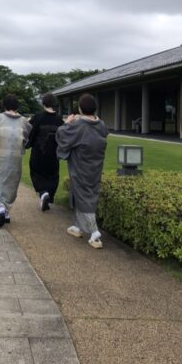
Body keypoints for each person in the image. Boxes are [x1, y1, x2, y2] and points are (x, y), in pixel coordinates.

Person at [56, 93, 108, 249]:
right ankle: (77, 227)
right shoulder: (101, 124)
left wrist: (67, 122)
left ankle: (94, 232)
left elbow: (62, 134)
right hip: (96, 165)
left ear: (80, 108)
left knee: (83, 195)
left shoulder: (78, 125)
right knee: (85, 193)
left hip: (80, 165)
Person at [0, 94, 32, 227]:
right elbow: (27, 138)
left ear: (4, 105)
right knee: (12, 182)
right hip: (15, 158)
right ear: (17, 107)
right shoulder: (24, 121)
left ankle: (0, 207)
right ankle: (6, 210)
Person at [27, 93, 64, 211]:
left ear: (43, 104)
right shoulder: (59, 120)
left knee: (36, 173)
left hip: (38, 153)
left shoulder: (37, 117)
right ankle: (48, 195)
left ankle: (43, 193)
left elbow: (30, 133)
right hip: (53, 154)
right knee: (53, 176)